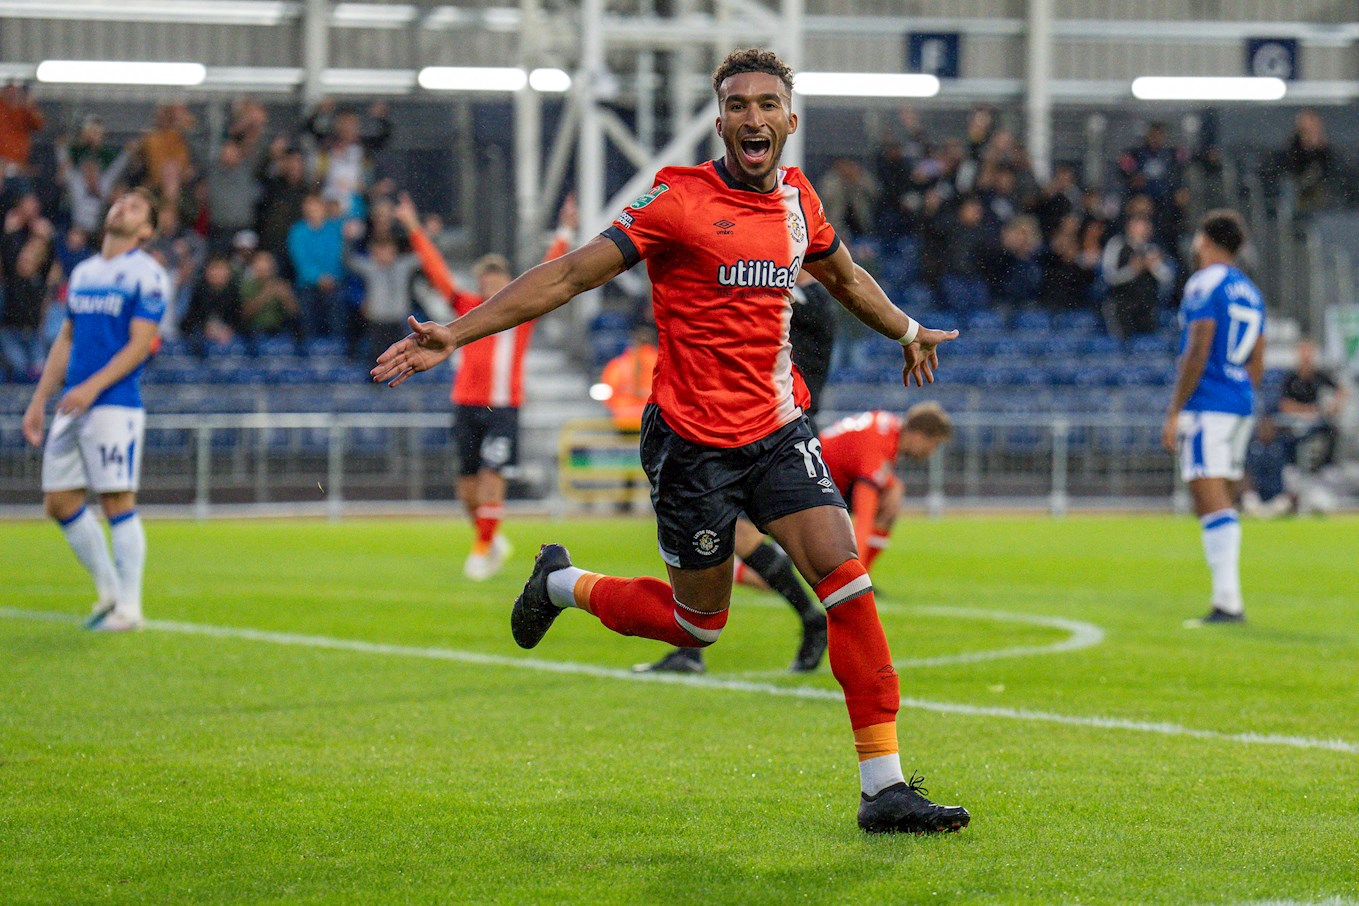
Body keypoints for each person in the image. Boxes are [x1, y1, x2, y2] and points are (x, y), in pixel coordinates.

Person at [372, 48, 968, 835]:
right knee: (699, 626)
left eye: (766, 104)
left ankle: (883, 788)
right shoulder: (677, 199)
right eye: (737, 104)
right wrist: (457, 330)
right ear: (719, 119)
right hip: (691, 444)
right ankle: (560, 582)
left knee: (848, 586)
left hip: (779, 428)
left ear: (789, 119)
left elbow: (846, 276)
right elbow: (571, 274)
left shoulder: (798, 199)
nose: (752, 117)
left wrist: (906, 329)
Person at [636, 266, 837, 676]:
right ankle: (801, 620)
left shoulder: (811, 302)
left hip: (773, 430)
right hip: (764, 425)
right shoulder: (810, 302)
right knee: (727, 537)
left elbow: (749, 300)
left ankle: (696, 643)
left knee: (712, 532)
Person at [396, 191, 574, 582]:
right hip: (465, 403)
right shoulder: (466, 309)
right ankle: (490, 539)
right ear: (479, 284)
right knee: (466, 491)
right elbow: (437, 270)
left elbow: (550, 271)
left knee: (493, 478)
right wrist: (413, 228)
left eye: (498, 280)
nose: (492, 286)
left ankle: (481, 551)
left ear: (509, 284)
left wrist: (563, 231)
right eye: (486, 280)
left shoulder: (522, 314)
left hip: (503, 407)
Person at [21, 187, 168, 632]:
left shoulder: (148, 274)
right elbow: (66, 338)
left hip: (113, 403)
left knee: (116, 499)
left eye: (136, 207)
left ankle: (130, 608)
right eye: (121, 200)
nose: (122, 205)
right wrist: (38, 400)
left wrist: (90, 388)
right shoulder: (84, 271)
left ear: (145, 230)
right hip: (73, 401)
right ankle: (108, 591)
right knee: (59, 501)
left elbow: (140, 345)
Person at [1161, 210, 1265, 626]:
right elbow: (1258, 354)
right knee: (1213, 494)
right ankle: (1227, 599)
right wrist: (1244, 394)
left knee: (1208, 494)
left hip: (1210, 403)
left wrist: (1175, 410)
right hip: (1239, 400)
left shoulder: (1205, 282)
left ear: (1205, 240)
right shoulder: (1250, 290)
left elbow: (1198, 347)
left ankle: (1228, 602)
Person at [819, 404, 953, 571]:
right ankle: (855, 577)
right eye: (934, 444)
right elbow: (864, 518)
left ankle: (862, 573)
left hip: (831, 477)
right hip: (815, 484)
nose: (932, 451)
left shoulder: (889, 429)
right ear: (919, 436)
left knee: (890, 499)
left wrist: (893, 484)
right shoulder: (880, 444)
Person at [1276, 337, 1348, 473]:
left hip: (1317, 420)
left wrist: (1335, 404)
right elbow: (1284, 404)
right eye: (1303, 353)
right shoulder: (1290, 378)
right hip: (1294, 420)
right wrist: (1305, 410)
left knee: (1333, 431)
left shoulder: (1319, 376)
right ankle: (1291, 468)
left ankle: (1326, 468)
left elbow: (1342, 390)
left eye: (1309, 353)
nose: (1307, 357)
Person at [1102, 214, 1174, 339]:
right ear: (1129, 226)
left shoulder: (1153, 248)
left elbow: (1167, 278)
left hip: (1146, 305)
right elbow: (1109, 276)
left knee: (1148, 344)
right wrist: (1133, 270)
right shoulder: (1116, 244)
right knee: (1121, 342)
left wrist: (1154, 266)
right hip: (1121, 305)